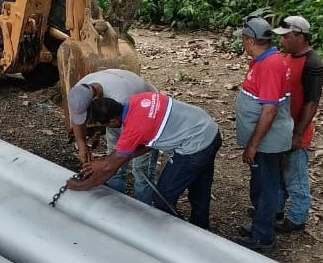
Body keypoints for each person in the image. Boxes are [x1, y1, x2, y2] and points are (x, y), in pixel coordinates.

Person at [66, 92, 222, 229]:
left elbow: (109, 170)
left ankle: (173, 235)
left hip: (195, 146)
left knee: (163, 198)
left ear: (113, 121)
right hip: (209, 130)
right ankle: (200, 226)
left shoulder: (133, 127)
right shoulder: (135, 100)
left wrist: (82, 185)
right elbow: (148, 143)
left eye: (106, 125)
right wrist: (113, 159)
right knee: (200, 186)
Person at [232, 17, 293, 252]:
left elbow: (269, 110)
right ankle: (260, 225)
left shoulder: (269, 65)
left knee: (266, 187)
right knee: (261, 184)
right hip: (266, 139)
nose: (242, 45)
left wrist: (253, 145)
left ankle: (263, 236)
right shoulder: (267, 60)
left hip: (268, 141)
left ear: (250, 40)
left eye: (243, 40)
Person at [66, 68, 159, 204]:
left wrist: (84, 184)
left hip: (147, 119)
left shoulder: (122, 98)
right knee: (114, 161)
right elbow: (77, 119)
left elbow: (117, 160)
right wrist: (82, 146)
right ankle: (113, 206)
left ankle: (145, 209)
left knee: (140, 170)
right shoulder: (81, 90)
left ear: (96, 100)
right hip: (118, 117)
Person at [273, 15, 323, 233]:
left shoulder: (313, 63)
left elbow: (311, 102)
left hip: (296, 130)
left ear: (299, 36)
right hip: (282, 127)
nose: (282, 41)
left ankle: (297, 217)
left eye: (286, 37)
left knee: (296, 176)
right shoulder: (288, 56)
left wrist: (298, 133)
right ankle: (275, 208)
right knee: (279, 171)